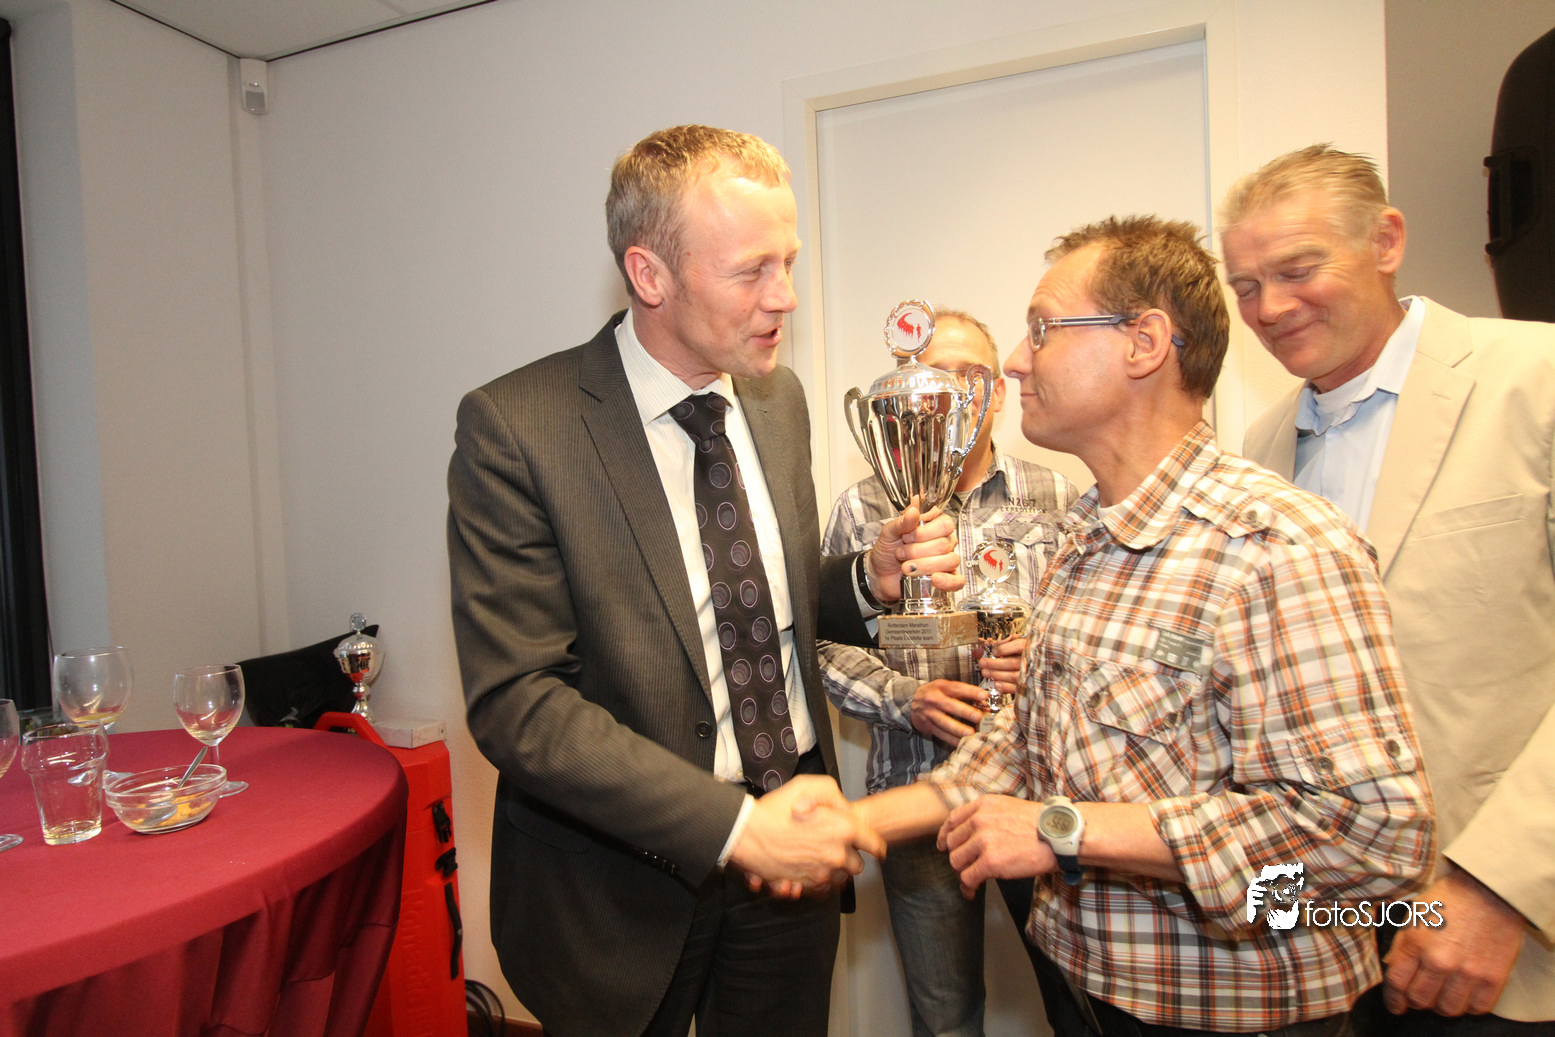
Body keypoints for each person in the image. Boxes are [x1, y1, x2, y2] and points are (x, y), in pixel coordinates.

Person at [853, 215, 1437, 1037]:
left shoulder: (1275, 547)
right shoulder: (1082, 536)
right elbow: (1028, 735)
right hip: (1087, 990)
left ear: (1143, 343)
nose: (1016, 360)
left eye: (1042, 329)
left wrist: (1064, 828)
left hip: (1233, 1014)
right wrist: (859, 822)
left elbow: (1374, 836)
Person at [446, 124, 962, 1037]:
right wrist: (730, 826)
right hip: (614, 883)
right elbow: (518, 701)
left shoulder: (775, 398)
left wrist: (863, 581)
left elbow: (753, 596)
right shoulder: (518, 427)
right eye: (751, 270)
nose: (785, 296)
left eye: (788, 262)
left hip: (792, 841)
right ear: (650, 275)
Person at [1223, 143, 1555, 1034]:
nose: (1270, 308)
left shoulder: (1537, 378)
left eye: (1297, 270)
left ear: (1385, 241)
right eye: (1245, 286)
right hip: (1329, 947)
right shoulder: (1258, 451)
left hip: (1504, 939)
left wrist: (1499, 888)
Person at [819, 307, 1079, 1037]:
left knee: (1076, 1000)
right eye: (935, 377)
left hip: (1037, 793)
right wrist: (906, 700)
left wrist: (1040, 656)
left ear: (997, 393)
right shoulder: (864, 506)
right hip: (913, 790)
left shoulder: (1057, 497)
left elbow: (1091, 634)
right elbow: (822, 644)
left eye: (972, 378)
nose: (954, 395)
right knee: (944, 1017)